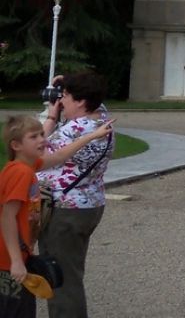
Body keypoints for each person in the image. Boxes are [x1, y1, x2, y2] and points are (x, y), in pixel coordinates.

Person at [0, 114, 113, 318]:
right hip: (7, 260)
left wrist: (93, 135)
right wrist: (16, 261)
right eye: (33, 137)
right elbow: (7, 217)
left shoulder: (28, 166)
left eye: (41, 134)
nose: (42, 139)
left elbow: (60, 156)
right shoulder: (21, 173)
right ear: (16, 145)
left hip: (14, 256)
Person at [39, 73, 116, 318]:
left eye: (65, 96)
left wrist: (51, 117)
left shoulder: (75, 129)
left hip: (65, 210)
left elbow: (35, 154)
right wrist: (67, 82)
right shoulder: (101, 119)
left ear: (81, 101)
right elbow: (94, 95)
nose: (61, 101)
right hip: (89, 204)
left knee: (61, 278)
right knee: (71, 270)